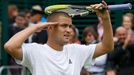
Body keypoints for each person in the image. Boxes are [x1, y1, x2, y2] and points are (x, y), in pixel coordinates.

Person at [4, 1, 114, 75]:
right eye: (63, 25)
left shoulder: (77, 50)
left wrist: (105, 19)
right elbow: (10, 46)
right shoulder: (35, 50)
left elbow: (107, 47)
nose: (69, 30)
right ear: (49, 27)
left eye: (70, 26)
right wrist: (35, 27)